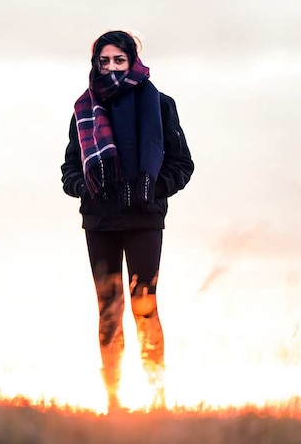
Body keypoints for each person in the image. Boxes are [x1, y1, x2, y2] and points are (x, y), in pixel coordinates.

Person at [60, 30, 194, 411]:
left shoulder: (160, 104)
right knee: (109, 309)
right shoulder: (84, 109)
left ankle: (157, 400)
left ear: (132, 60)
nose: (112, 68)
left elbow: (182, 163)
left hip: (144, 221)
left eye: (120, 60)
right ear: (96, 64)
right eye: (105, 61)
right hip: (100, 221)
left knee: (144, 305)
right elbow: (71, 165)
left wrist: (153, 191)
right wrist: (83, 187)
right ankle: (114, 402)